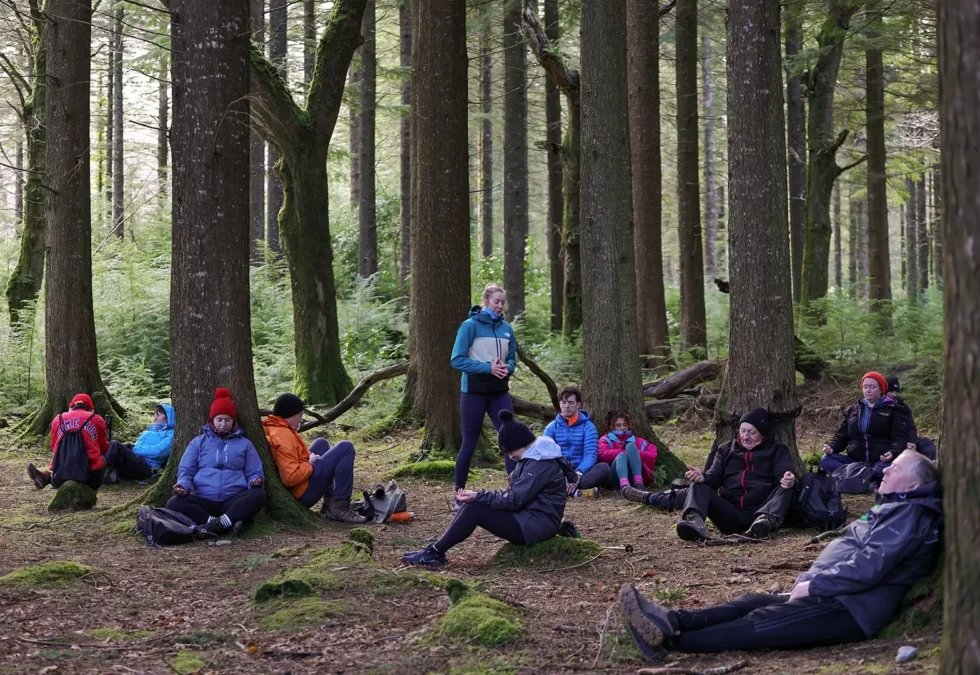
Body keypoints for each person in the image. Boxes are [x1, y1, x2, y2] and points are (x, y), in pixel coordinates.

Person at [619, 450, 942, 656]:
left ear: (912, 485)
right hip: (835, 595)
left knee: (760, 622)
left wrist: (816, 585)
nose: (885, 471)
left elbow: (870, 565)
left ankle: (669, 642)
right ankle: (672, 620)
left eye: (895, 469)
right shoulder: (895, 508)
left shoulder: (910, 514)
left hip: (849, 608)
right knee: (752, 602)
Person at [402, 410, 576, 567]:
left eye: (509, 451)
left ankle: (434, 552)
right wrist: (479, 495)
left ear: (519, 444)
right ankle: (434, 550)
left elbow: (514, 500)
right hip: (529, 518)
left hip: (537, 525)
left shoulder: (539, 465)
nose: (509, 456)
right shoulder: (532, 459)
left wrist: (479, 496)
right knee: (472, 506)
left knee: (474, 510)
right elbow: (513, 494)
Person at [622, 409, 795, 541]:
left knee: (787, 487)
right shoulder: (726, 449)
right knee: (698, 487)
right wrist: (702, 477)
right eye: (743, 431)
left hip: (759, 511)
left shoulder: (777, 449)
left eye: (752, 432)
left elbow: (783, 474)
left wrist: (788, 479)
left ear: (763, 434)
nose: (746, 436)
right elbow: (713, 479)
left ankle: (764, 523)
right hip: (730, 514)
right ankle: (694, 522)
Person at [450, 283, 518, 505]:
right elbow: (457, 359)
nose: (500, 306)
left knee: (512, 441)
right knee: (469, 444)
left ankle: (517, 493)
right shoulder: (470, 326)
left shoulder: (506, 328)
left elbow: (512, 359)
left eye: (503, 302)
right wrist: (488, 367)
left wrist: (507, 368)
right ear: (486, 301)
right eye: (496, 301)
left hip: (499, 392)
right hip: (474, 393)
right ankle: (459, 496)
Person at [166, 388, 267, 536]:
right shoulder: (198, 443)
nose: (223, 424)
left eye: (228, 420)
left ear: (234, 422)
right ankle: (221, 523)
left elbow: (254, 471)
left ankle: (218, 523)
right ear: (212, 420)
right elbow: (187, 470)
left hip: (233, 500)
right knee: (174, 503)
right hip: (203, 499)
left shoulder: (245, 444)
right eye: (219, 419)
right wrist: (183, 486)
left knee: (259, 495)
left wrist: (255, 481)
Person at [263, 392, 368, 524]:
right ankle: (340, 507)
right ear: (288, 414)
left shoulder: (274, 427)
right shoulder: (283, 436)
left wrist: (308, 458)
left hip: (298, 487)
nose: (301, 419)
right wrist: (309, 463)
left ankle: (329, 502)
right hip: (302, 493)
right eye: (299, 415)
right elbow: (289, 478)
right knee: (346, 448)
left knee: (321, 443)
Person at [820, 371, 908, 476]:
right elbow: (842, 435)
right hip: (855, 460)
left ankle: (856, 476)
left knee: (885, 470)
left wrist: (893, 452)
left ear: (881, 389)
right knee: (826, 460)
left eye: (872, 387)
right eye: (865, 387)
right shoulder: (852, 410)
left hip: (881, 460)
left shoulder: (894, 410)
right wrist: (832, 446)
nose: (868, 390)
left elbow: (900, 438)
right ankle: (862, 477)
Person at [28, 393, 109, 492]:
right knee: (101, 460)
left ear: (71, 407)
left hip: (61, 475)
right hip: (90, 477)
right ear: (90, 408)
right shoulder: (97, 419)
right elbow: (103, 447)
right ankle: (92, 496)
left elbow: (54, 447)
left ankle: (48, 478)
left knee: (60, 463)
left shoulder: (58, 419)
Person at [544, 387, 610, 494]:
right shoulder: (551, 427)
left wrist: (577, 474)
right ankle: (574, 491)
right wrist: (562, 474)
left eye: (571, 402)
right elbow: (546, 454)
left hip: (582, 471)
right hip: (559, 471)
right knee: (539, 469)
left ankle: (565, 489)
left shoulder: (588, 427)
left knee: (604, 468)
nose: (566, 406)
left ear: (578, 404)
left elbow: (591, 455)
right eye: (563, 402)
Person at [103, 404, 175, 484]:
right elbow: (138, 445)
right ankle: (108, 473)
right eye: (154, 415)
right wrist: (131, 448)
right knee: (114, 446)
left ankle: (95, 472)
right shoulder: (151, 430)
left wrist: (136, 449)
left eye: (158, 415)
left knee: (115, 445)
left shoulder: (170, 434)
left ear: (168, 417)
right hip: (138, 459)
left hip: (148, 466)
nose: (155, 418)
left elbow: (160, 451)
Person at [597, 410, 659, 491]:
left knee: (631, 446)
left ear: (629, 425)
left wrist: (634, 454)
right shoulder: (606, 439)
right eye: (618, 425)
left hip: (636, 473)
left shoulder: (639, 441)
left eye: (625, 425)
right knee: (622, 456)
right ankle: (625, 486)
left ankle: (638, 483)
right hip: (615, 476)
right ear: (613, 426)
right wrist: (624, 453)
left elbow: (652, 454)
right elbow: (601, 454)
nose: (622, 428)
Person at [885, 376, 936, 461]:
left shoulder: (903, 407)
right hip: (892, 443)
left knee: (926, 443)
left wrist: (913, 442)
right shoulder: (880, 407)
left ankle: (933, 465)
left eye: (896, 391)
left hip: (906, 441)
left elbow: (911, 427)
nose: (894, 394)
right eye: (891, 391)